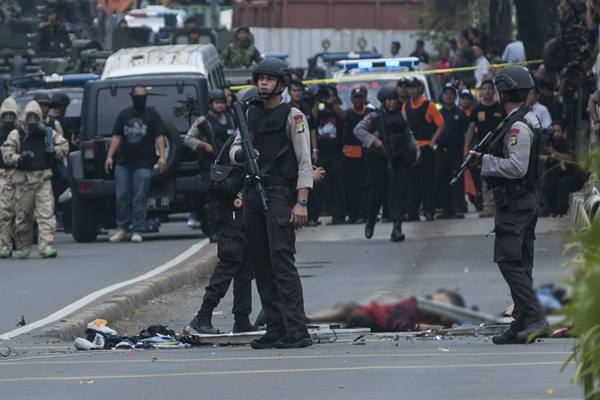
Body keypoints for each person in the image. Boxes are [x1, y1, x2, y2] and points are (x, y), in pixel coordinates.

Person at [229, 57, 314, 349]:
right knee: (260, 261)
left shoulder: (294, 116)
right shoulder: (249, 114)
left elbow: (305, 162)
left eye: (269, 78)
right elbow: (234, 150)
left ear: (281, 83)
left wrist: (301, 202)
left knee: (281, 260)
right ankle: (275, 327)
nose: (263, 83)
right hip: (253, 190)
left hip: (279, 194)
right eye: (260, 78)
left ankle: (297, 328)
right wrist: (243, 154)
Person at [470, 65, 549, 344]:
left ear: (503, 93)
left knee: (508, 261)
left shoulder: (517, 126)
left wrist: (485, 162)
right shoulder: (527, 118)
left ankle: (535, 317)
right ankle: (523, 321)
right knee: (521, 262)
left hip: (516, 202)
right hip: (523, 201)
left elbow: (517, 167)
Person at [1, 100, 69, 259]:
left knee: (46, 214)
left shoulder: (49, 133)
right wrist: (19, 158)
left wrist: (55, 151)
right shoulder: (17, 134)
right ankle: (23, 247)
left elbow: (64, 146)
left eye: (35, 117)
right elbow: (7, 152)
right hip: (23, 182)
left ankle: (46, 245)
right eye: (29, 117)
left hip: (42, 179)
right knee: (23, 218)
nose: (32, 121)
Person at [105, 84, 167, 243]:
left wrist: (162, 157)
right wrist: (110, 156)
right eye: (137, 95)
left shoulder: (153, 115)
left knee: (139, 198)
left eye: (143, 95)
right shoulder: (124, 114)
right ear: (132, 96)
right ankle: (122, 229)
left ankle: (137, 230)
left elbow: (159, 136)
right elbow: (117, 136)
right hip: (123, 162)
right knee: (122, 197)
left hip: (144, 163)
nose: (140, 98)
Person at [354, 87, 416, 241]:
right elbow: (358, 130)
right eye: (388, 99)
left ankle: (397, 228)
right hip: (380, 160)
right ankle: (370, 221)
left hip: (399, 159)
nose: (391, 102)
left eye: (394, 99)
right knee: (377, 193)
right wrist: (374, 141)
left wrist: (415, 151)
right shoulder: (375, 116)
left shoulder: (402, 116)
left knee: (399, 191)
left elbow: (409, 134)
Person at [184, 89, 237, 238]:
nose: (220, 106)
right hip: (211, 165)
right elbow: (188, 139)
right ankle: (214, 231)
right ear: (210, 104)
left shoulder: (231, 118)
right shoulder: (202, 121)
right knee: (214, 199)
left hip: (229, 164)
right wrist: (204, 145)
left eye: (222, 103)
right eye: (217, 103)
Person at [308, 289, 466, 332]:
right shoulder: (414, 306)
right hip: (368, 317)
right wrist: (419, 327)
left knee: (347, 309)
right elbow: (398, 322)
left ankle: (309, 319)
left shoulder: (429, 313)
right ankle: (309, 319)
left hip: (371, 316)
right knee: (348, 310)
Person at [403, 78, 445, 221]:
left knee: (427, 181)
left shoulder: (429, 105)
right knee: (412, 182)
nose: (411, 90)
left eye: (414, 87)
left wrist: (432, 142)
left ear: (419, 89)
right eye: (409, 87)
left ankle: (429, 210)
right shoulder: (405, 107)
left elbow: (441, 124)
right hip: (412, 149)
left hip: (426, 148)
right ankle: (412, 212)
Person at [464, 79, 505, 216]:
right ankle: (488, 207)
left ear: (494, 91)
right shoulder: (476, 110)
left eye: (489, 88)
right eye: (484, 89)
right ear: (481, 92)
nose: (487, 91)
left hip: (499, 148)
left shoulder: (500, 108)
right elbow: (471, 129)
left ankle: (500, 206)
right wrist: (467, 148)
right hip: (482, 150)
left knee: (500, 177)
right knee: (485, 177)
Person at [310, 85, 346, 225]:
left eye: (330, 95)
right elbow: (312, 119)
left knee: (337, 186)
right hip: (321, 153)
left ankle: (339, 217)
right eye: (325, 95)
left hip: (336, 153)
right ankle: (313, 217)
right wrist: (318, 101)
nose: (327, 98)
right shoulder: (319, 108)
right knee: (317, 185)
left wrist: (333, 103)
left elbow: (344, 117)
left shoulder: (337, 109)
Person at [436, 84, 469, 219]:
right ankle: (445, 209)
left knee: (456, 180)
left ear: (455, 96)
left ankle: (458, 208)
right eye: (446, 93)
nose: (448, 96)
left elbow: (467, 132)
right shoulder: (438, 113)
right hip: (440, 151)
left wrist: (466, 148)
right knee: (442, 180)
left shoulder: (460, 113)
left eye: (451, 93)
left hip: (456, 151)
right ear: (442, 96)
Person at [541, 121, 587, 217]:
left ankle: (561, 212)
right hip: (555, 174)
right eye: (554, 131)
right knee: (547, 185)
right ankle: (551, 210)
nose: (557, 133)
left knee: (563, 184)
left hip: (572, 174)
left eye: (559, 131)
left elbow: (570, 158)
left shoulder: (567, 143)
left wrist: (554, 152)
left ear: (563, 132)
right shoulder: (547, 142)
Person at [341, 86, 369, 225]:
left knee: (366, 186)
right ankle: (352, 214)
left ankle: (364, 214)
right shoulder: (347, 114)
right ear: (352, 99)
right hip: (350, 156)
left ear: (365, 98)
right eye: (356, 97)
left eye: (361, 97)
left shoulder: (370, 113)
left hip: (367, 155)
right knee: (351, 187)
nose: (358, 100)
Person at [0, 98, 19, 258]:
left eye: (11, 116)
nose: (8, 119)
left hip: (20, 176)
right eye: (5, 116)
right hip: (2, 175)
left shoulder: (22, 132)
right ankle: (4, 244)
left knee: (20, 212)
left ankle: (18, 241)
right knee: (3, 212)